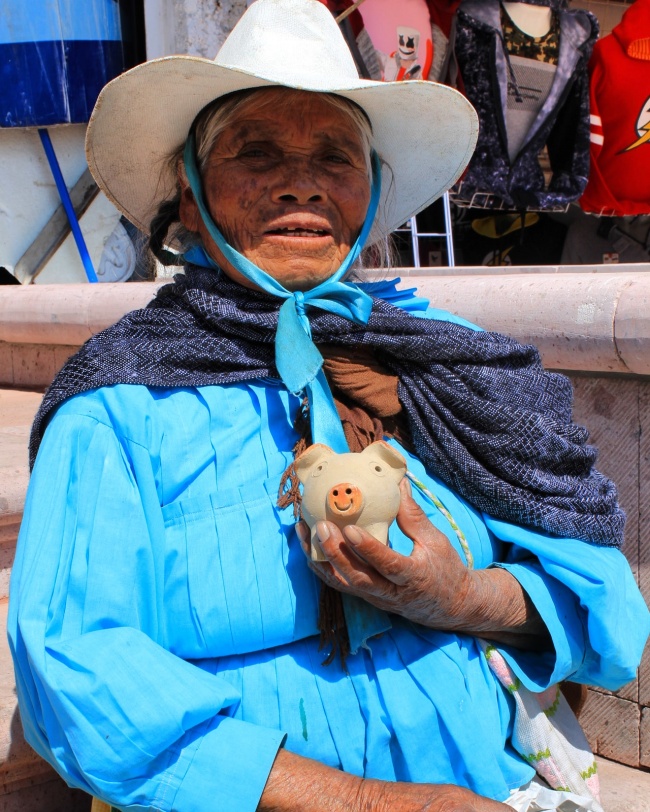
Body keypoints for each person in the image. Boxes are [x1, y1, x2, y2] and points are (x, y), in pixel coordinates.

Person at [8, 2, 649, 811]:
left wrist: (461, 598)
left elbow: (604, 601)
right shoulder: (119, 403)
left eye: (334, 157)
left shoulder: (452, 362)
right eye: (257, 151)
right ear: (192, 190)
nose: (301, 181)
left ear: (370, 187)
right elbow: (71, 666)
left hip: (497, 784)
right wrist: (380, 804)